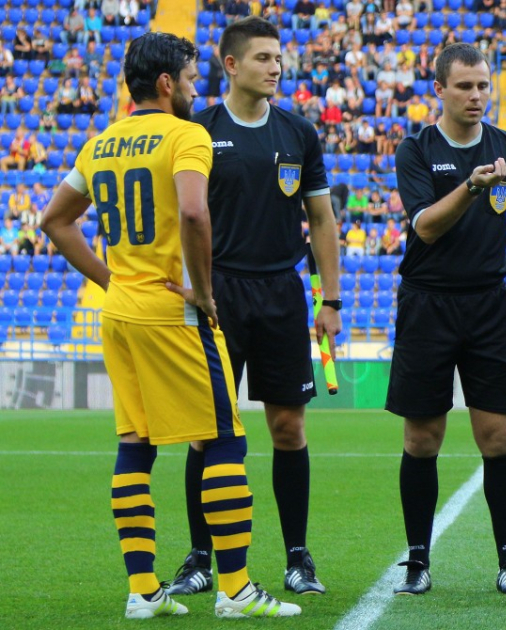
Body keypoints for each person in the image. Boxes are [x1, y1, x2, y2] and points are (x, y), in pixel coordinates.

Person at [40, 31, 300, 620]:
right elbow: (191, 209)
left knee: (135, 445)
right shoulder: (188, 135)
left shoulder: (100, 143)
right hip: (172, 311)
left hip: (119, 313)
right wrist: (205, 295)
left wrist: (110, 281)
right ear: (166, 83)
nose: (195, 88)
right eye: (189, 78)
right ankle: (234, 591)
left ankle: (143, 590)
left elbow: (55, 220)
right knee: (224, 441)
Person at [164, 17, 342, 599]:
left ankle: (298, 557)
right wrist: (191, 287)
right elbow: (178, 216)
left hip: (282, 296)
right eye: (263, 58)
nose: (276, 67)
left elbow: (321, 220)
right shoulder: (196, 129)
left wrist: (331, 299)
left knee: (288, 428)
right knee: (205, 433)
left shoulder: (298, 133)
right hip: (214, 296)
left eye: (278, 58)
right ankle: (199, 557)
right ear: (232, 65)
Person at [387, 42, 506, 596]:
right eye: (465, 86)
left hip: (487, 304)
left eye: (483, 85)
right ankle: (416, 560)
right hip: (427, 303)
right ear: (440, 90)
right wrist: (472, 186)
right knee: (421, 441)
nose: (477, 96)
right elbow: (425, 226)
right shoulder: (416, 149)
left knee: (498, 436)